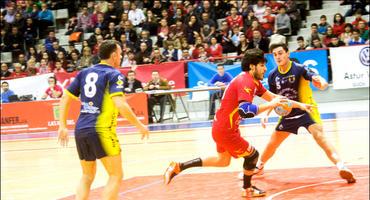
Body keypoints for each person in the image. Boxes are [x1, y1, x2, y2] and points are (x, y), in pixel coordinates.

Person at [164, 48, 314, 198]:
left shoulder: (253, 81)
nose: (265, 68)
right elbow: (246, 111)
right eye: (262, 65)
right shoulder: (246, 81)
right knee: (252, 155)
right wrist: (271, 105)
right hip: (226, 130)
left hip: (221, 126)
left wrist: (300, 105)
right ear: (252, 66)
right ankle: (247, 189)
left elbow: (275, 97)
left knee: (222, 161)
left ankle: (178, 166)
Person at [57, 40, 149, 200]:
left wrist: (62, 125)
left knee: (87, 176)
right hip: (101, 130)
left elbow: (65, 97)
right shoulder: (114, 75)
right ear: (114, 55)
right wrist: (140, 125)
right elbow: (120, 103)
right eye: (120, 54)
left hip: (81, 130)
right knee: (116, 175)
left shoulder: (84, 72)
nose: (121, 57)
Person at [254, 43, 356, 184]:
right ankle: (259, 166)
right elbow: (273, 97)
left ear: (287, 53)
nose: (278, 56)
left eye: (280, 53)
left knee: (320, 137)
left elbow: (315, 77)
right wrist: (265, 114)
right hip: (287, 114)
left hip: (306, 110)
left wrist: (322, 83)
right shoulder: (272, 76)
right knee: (273, 143)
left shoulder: (299, 69)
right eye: (275, 54)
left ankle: (342, 166)